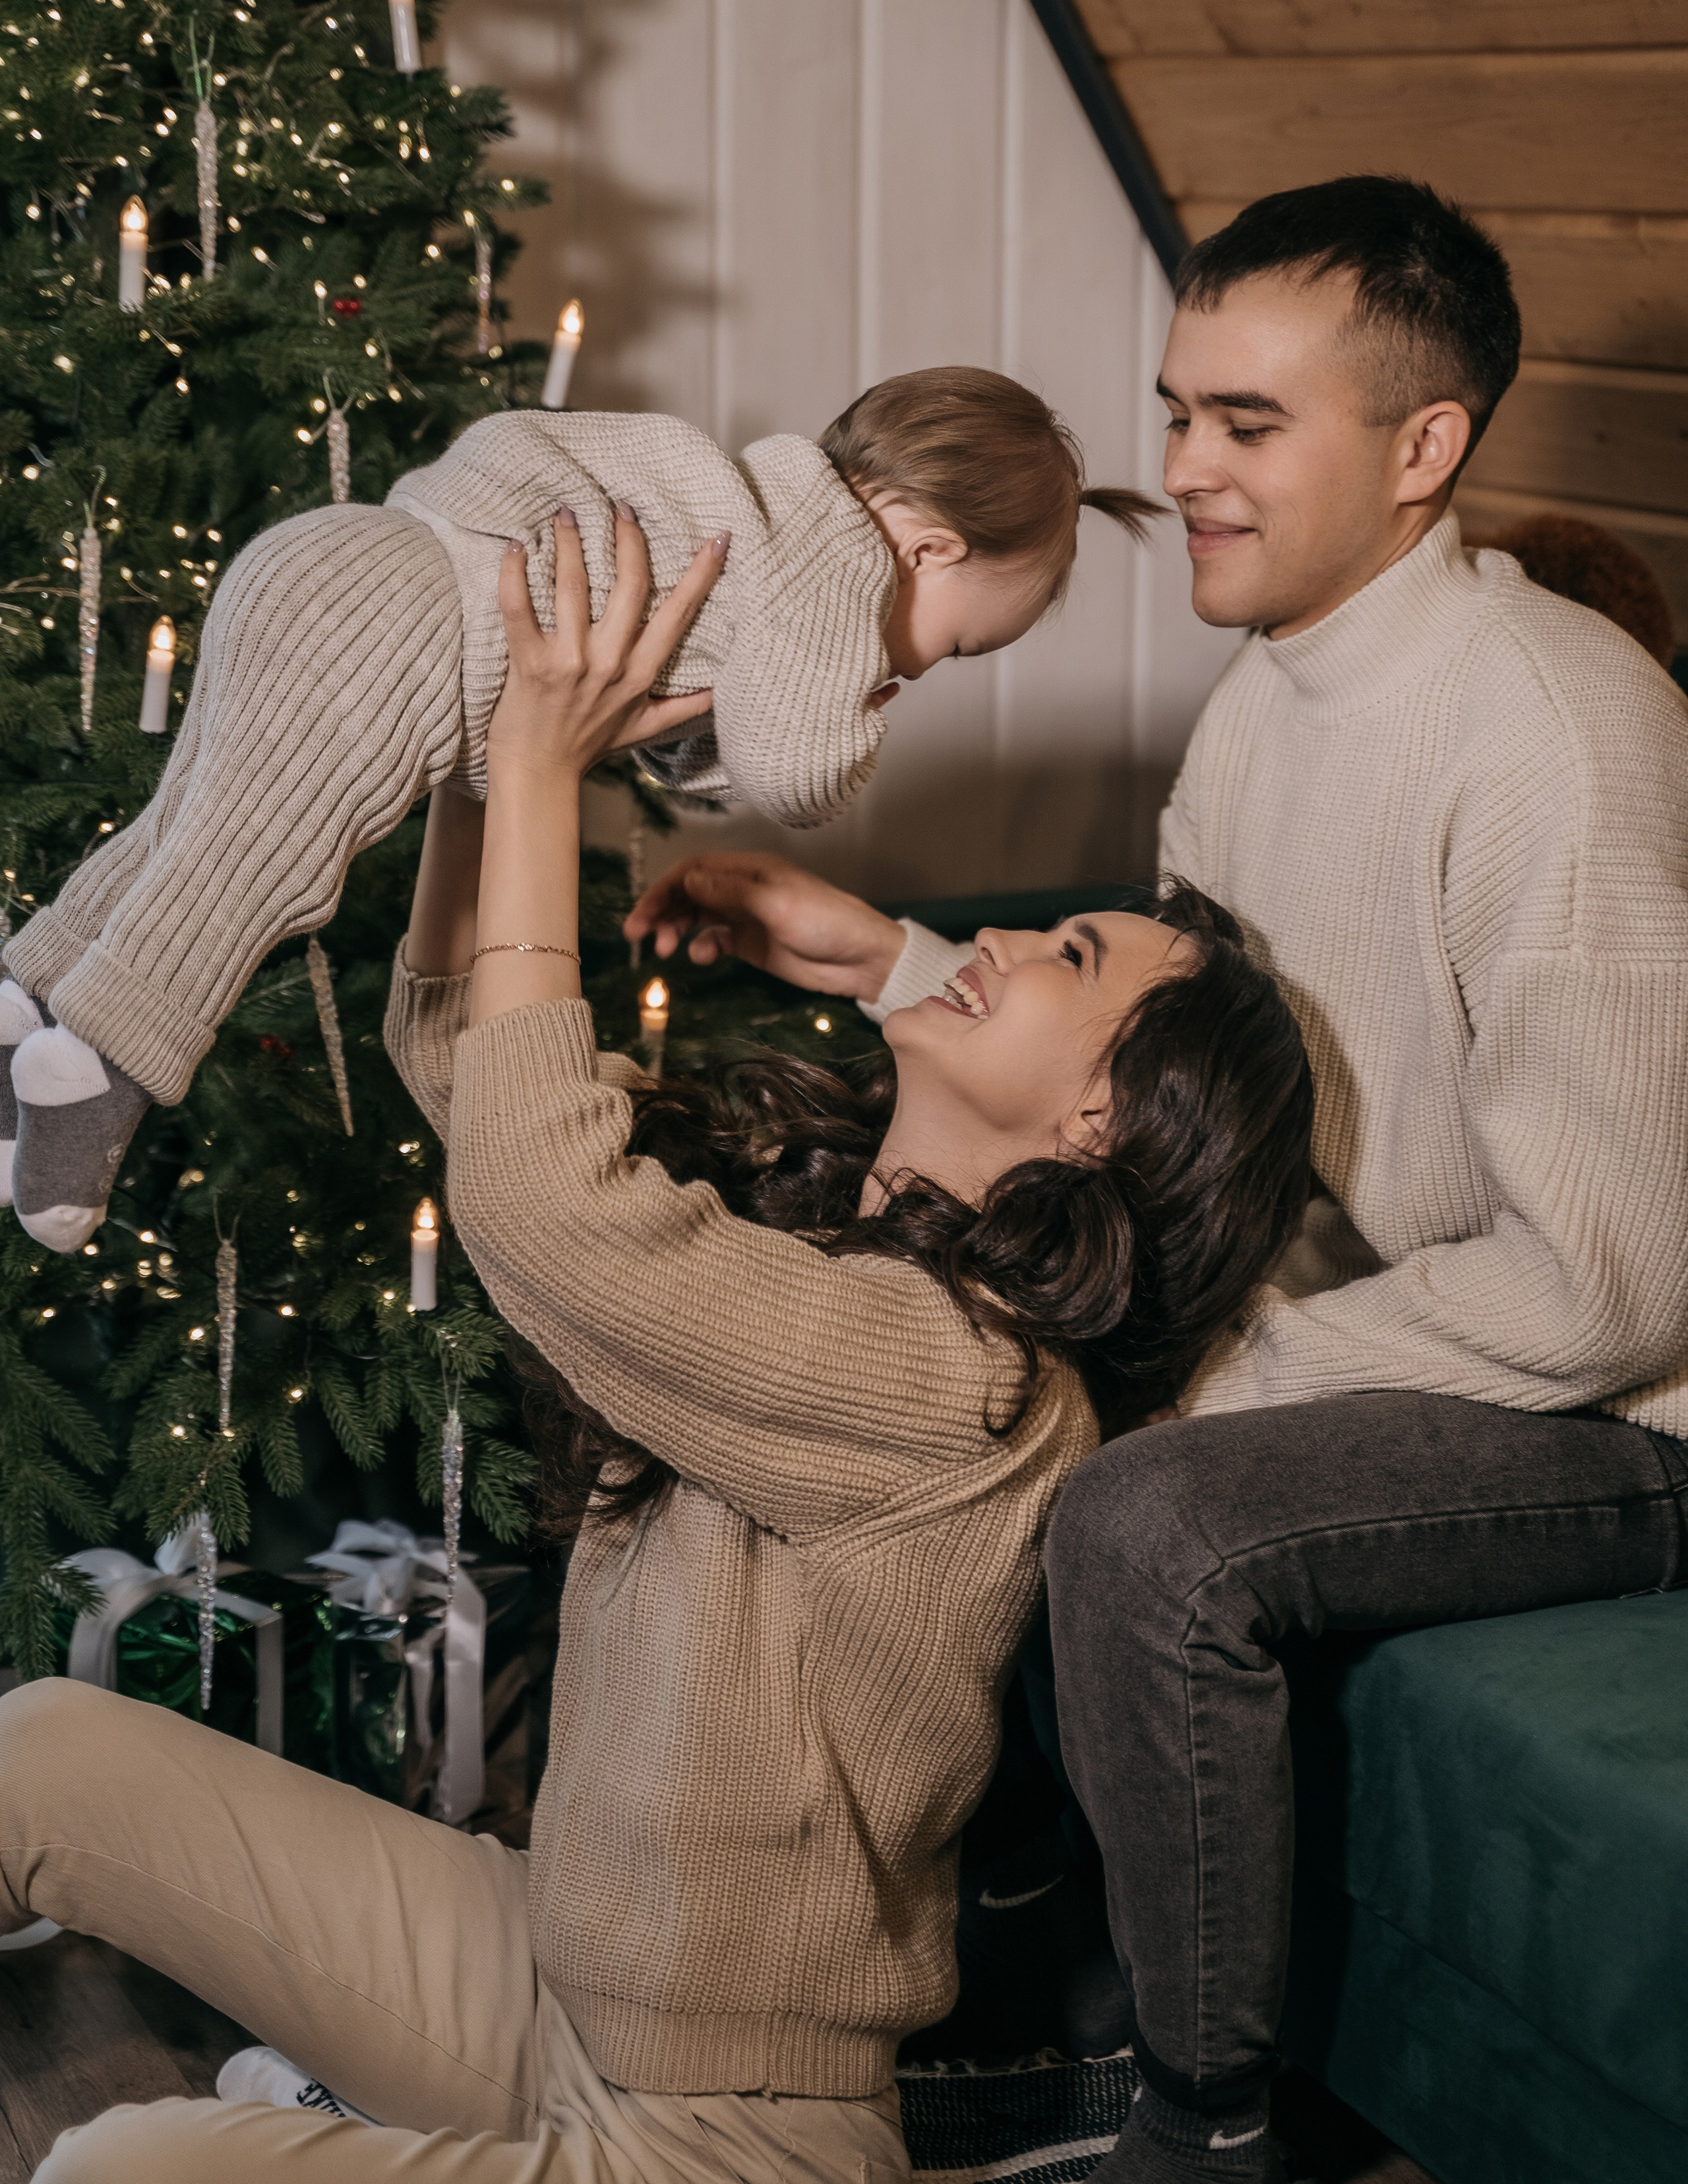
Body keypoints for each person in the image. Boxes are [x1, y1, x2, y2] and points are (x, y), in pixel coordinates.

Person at [0, 506, 1313, 2183]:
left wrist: (548, 768)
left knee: (118, 2166)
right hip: (555, 1983)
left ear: (1104, 1119)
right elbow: (480, 1075)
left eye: (1067, 955)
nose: (990, 939)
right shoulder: (833, 1247)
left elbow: (544, 1205)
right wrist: (486, 747)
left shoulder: (962, 1380)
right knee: (39, 1752)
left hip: (726, 2140)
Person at [626, 177, 1688, 2184]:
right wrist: (887, 961)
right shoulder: (1275, 688)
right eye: (1180, 411)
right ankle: (948, 1989)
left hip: (1627, 1412)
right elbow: (1176, 1051)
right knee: (953, 1347)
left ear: (1423, 448)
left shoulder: (1556, 734)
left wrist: (1209, 1373)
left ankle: (1200, 2125)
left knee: (1151, 1518)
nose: (1183, 470)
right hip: (1413, 1321)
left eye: (1247, 427)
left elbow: (1612, 1283)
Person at [0, 365, 1153, 1254]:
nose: (916, 670)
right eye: (950, 643)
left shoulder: (749, 506)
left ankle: (32, 988)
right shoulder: (835, 570)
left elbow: (688, 740)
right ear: (927, 546)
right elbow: (798, 775)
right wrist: (870, 704)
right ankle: (98, 1082)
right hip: (404, 628)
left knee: (190, 825)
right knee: (253, 871)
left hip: (336, 560)